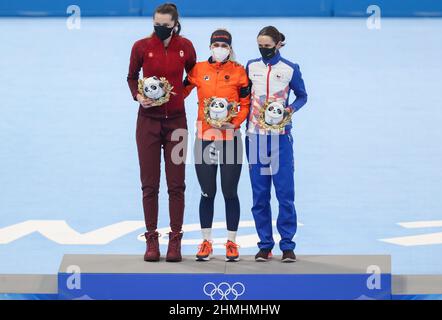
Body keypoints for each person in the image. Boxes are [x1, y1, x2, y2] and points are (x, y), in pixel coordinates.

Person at [127, 3, 196, 262]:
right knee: (149, 184)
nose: (160, 28)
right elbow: (131, 77)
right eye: (156, 23)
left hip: (177, 123)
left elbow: (193, 75)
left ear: (175, 24)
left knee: (177, 184)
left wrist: (178, 95)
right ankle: (152, 239)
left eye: (165, 25)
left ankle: (175, 240)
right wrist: (138, 96)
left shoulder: (185, 46)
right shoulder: (141, 46)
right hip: (147, 123)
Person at [184, 29, 250, 262]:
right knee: (207, 192)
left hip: (230, 140)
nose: (219, 48)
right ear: (210, 47)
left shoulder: (240, 72)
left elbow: (245, 103)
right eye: (216, 44)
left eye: (224, 45)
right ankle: (206, 241)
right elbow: (180, 90)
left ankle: (231, 242)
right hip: (204, 139)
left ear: (230, 48)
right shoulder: (198, 70)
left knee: (230, 193)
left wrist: (236, 123)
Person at [245, 26, 308, 262]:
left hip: (280, 139)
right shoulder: (251, 67)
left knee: (284, 194)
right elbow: (244, 96)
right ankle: (265, 244)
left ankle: (288, 245)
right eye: (260, 46)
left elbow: (302, 96)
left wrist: (289, 110)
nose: (263, 50)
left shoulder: (290, 69)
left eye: (267, 46)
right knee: (259, 195)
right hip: (256, 138)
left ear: (278, 44)